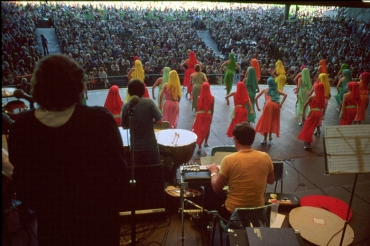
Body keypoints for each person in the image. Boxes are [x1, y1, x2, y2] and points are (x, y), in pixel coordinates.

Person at [8, 54, 126, 246]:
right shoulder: (99, 121)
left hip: (53, 228)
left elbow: (24, 187)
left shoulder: (22, 128)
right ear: (78, 85)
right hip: (99, 225)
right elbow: (118, 175)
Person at [206, 122, 275, 220]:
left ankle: (207, 223)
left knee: (211, 191)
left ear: (235, 139)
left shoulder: (229, 159)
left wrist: (214, 172)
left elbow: (217, 188)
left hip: (234, 214)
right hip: (258, 213)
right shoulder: (265, 157)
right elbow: (271, 181)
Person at [121, 79, 163, 166]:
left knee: (138, 172)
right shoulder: (149, 103)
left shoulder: (126, 106)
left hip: (135, 146)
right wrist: (150, 121)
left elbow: (124, 126)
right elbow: (159, 122)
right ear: (143, 90)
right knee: (153, 170)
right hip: (150, 145)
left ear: (129, 92)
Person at [255, 77, 287, 144]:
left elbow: (256, 98)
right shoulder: (276, 90)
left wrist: (257, 107)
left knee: (266, 122)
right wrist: (281, 104)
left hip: (268, 105)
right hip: (276, 105)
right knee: (272, 120)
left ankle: (264, 139)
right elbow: (285, 95)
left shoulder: (265, 90)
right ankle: (270, 135)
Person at [298, 83, 325, 150]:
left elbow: (305, 105)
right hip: (319, 113)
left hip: (313, 113)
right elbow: (323, 107)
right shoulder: (322, 98)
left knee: (307, 128)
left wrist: (303, 114)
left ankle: (308, 143)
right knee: (312, 128)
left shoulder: (312, 97)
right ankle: (308, 142)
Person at [191, 82, 214, 154]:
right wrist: (211, 117)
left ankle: (199, 146)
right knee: (207, 129)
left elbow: (197, 108)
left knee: (200, 129)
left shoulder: (199, 98)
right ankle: (206, 142)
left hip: (200, 115)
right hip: (208, 115)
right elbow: (212, 109)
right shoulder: (212, 98)